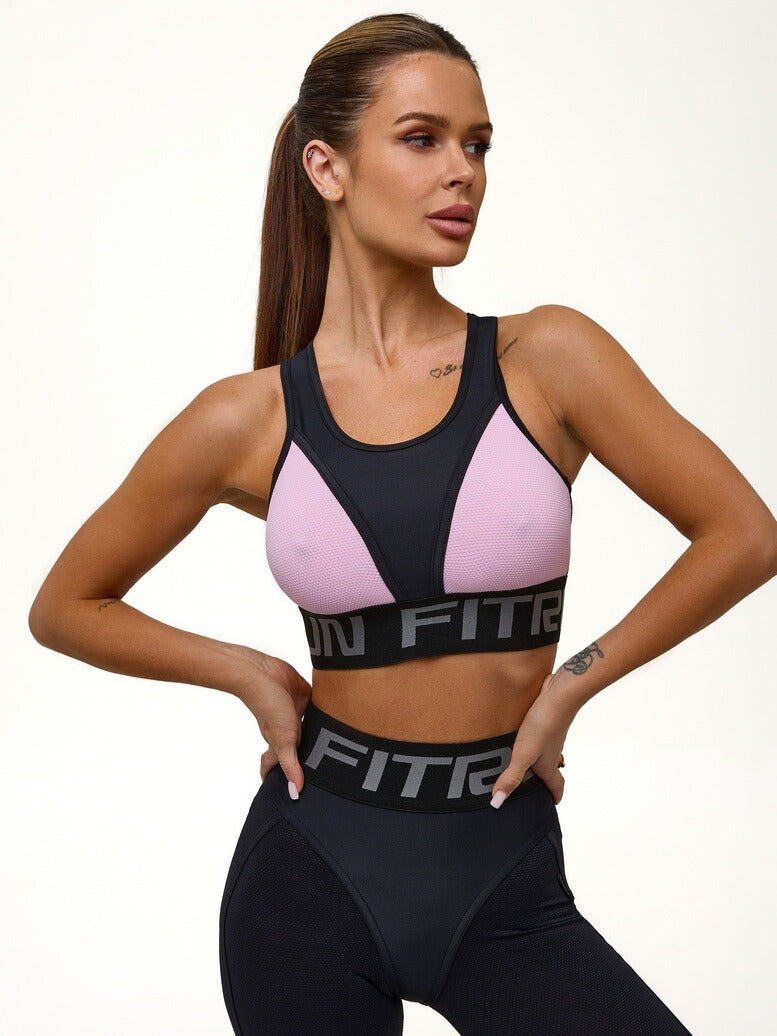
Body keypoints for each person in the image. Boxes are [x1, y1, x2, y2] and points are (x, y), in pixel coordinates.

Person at [28, 11, 777, 1036]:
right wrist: (249, 671)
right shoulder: (248, 418)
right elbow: (66, 605)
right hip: (306, 884)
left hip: (501, 880)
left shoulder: (547, 359)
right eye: (422, 139)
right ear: (326, 167)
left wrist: (570, 685)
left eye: (479, 144)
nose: (463, 171)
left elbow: (744, 533)